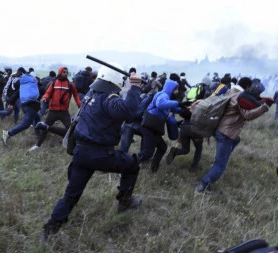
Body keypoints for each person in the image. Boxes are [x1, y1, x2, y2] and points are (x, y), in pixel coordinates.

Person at [40, 64, 142, 242]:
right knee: (132, 165)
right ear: (117, 80)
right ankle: (124, 202)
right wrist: (134, 88)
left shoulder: (91, 95)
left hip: (81, 153)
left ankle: (50, 230)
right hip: (101, 155)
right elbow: (129, 111)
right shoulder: (109, 98)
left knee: (70, 196)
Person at [195, 77, 270, 194]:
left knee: (236, 140)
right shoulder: (239, 97)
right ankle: (202, 186)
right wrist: (263, 108)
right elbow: (247, 115)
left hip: (221, 129)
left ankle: (219, 160)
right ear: (248, 87)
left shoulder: (231, 91)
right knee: (220, 165)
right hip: (226, 133)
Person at [29, 67, 81, 151]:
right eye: (64, 72)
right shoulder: (54, 83)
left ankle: (73, 146)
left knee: (70, 130)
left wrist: (80, 104)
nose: (65, 73)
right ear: (60, 72)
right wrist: (44, 98)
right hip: (53, 111)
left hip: (64, 112)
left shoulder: (70, 84)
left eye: (66, 72)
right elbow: (48, 93)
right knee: (44, 129)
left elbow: (76, 95)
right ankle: (37, 146)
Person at [136, 79, 182, 173]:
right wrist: (177, 103)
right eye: (176, 89)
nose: (177, 92)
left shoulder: (167, 98)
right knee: (147, 153)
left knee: (162, 147)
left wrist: (186, 107)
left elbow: (174, 108)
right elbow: (160, 104)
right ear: (171, 89)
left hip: (154, 127)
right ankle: (128, 163)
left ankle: (153, 169)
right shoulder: (163, 95)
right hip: (149, 127)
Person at [2, 68, 40, 145]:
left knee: (37, 117)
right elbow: (42, 89)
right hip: (31, 105)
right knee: (26, 124)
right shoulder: (33, 85)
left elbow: (16, 94)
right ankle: (8, 133)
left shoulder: (24, 85)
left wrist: (11, 103)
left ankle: (38, 135)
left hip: (25, 104)